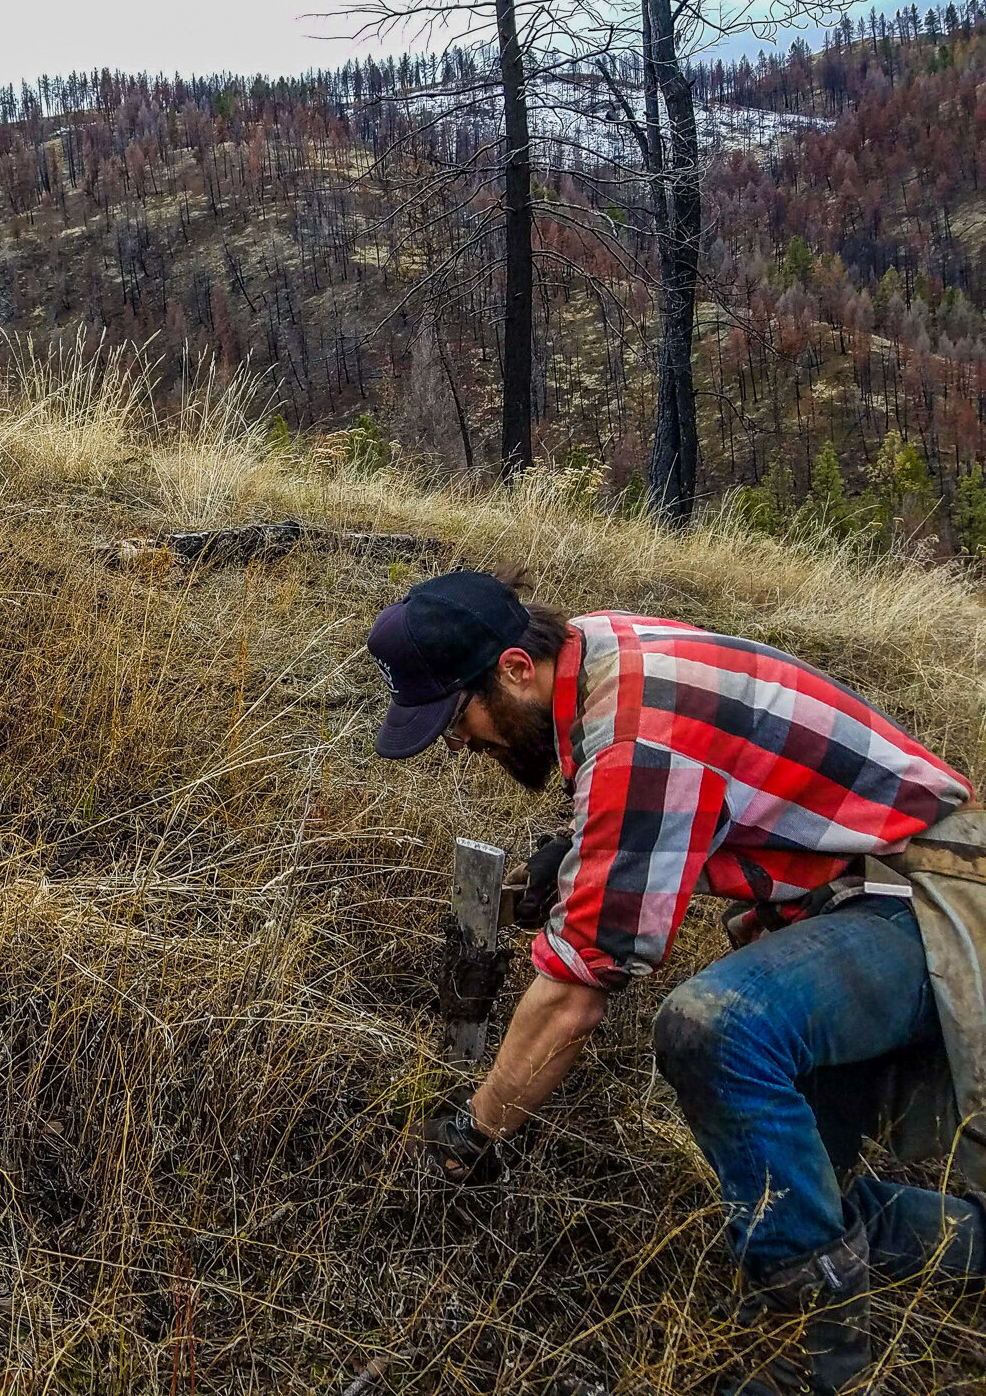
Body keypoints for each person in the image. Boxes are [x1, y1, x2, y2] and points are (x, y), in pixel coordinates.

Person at [368, 570, 984, 1396]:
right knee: (805, 1202)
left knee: (715, 1025)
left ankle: (817, 1360)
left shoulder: (633, 736)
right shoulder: (597, 649)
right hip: (868, 893)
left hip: (926, 905)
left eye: (456, 718)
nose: (459, 743)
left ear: (515, 667)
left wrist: (473, 1135)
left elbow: (576, 997)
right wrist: (584, 845)